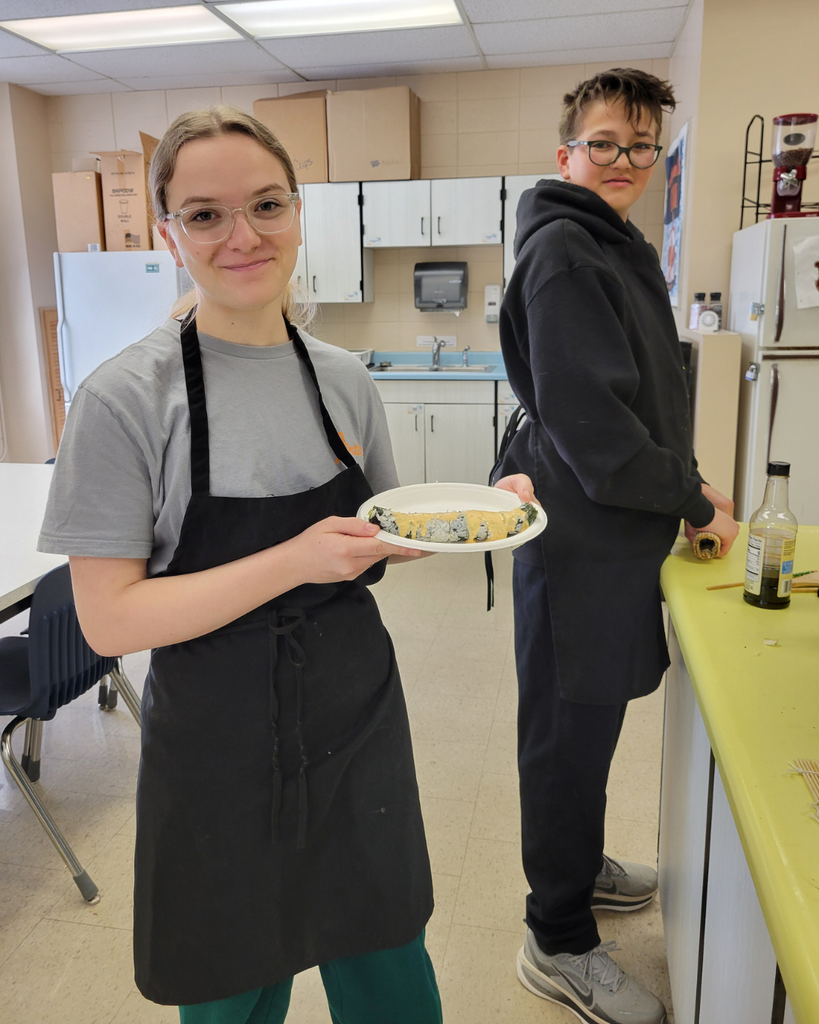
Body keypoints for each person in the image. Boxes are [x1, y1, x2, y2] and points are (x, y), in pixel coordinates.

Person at [38, 106, 452, 1024]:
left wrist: (465, 518)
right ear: (167, 233)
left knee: (387, 964)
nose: (242, 236)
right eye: (205, 214)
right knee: (233, 990)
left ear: (299, 213)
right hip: (219, 745)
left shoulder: (343, 377)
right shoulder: (122, 401)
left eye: (266, 204)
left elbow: (378, 533)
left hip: (355, 717)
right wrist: (293, 559)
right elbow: (110, 619)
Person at [494, 69, 739, 1024]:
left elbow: (640, 399)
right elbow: (598, 433)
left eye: (641, 147)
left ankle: (576, 864)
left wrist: (690, 487)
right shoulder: (565, 253)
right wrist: (682, 494)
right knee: (564, 739)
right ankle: (554, 936)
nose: (624, 162)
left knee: (586, 732)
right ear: (566, 155)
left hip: (608, 537)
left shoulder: (610, 244)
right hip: (577, 546)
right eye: (604, 144)